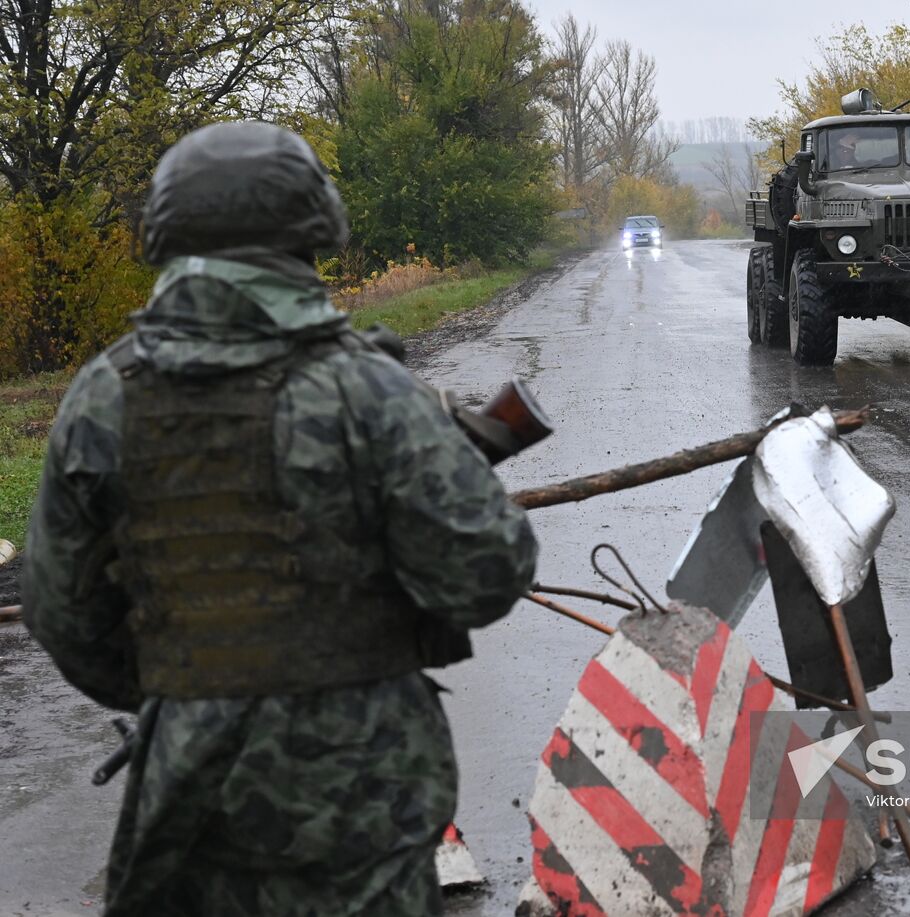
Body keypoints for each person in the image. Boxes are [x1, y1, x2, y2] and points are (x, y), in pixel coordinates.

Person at [21, 121, 537, 915]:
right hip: (365, 795)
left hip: (186, 790)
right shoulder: (368, 392)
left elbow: (62, 614)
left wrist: (188, 680)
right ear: (310, 230)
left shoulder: (100, 398)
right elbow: (486, 575)